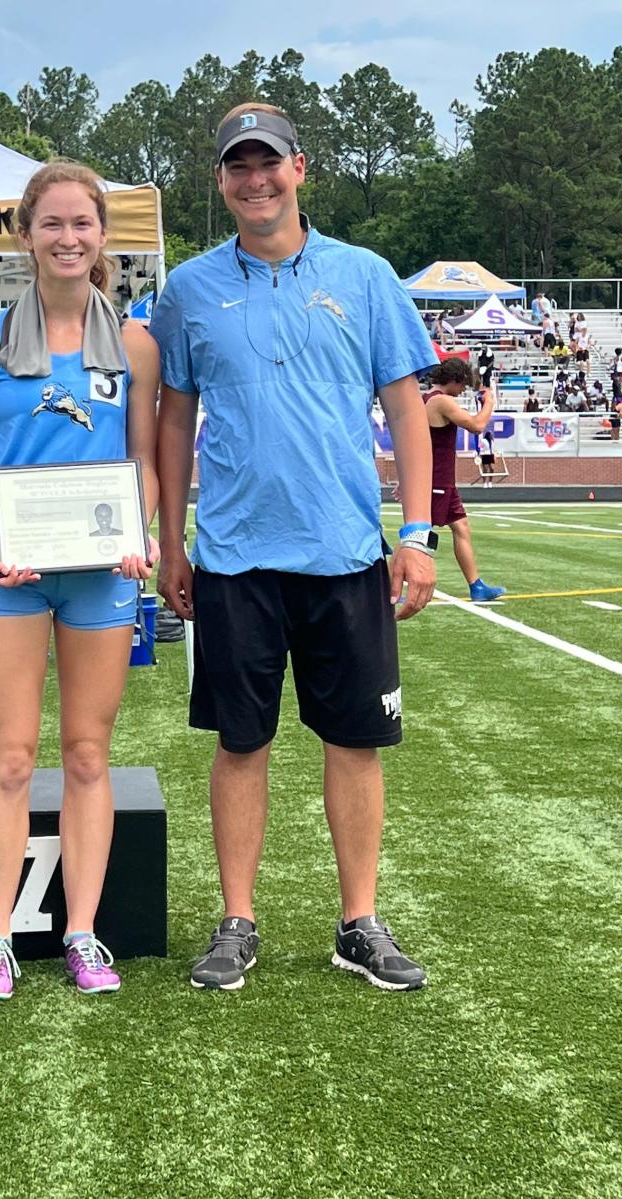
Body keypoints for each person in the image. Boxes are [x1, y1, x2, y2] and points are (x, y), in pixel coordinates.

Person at [151, 102, 437, 994]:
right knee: (241, 742)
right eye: (237, 165)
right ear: (222, 181)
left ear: (300, 168)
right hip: (234, 556)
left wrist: (418, 533)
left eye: (267, 162)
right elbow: (173, 420)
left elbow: (404, 409)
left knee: (353, 741)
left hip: (346, 549)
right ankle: (238, 919)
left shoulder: (364, 275)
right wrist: (171, 540)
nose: (255, 179)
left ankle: (359, 920)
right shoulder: (188, 289)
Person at [0, 162, 159, 1003]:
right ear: (26, 236)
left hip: (102, 577)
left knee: (90, 755)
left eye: (83, 224)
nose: (69, 238)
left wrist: (142, 533)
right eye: (52, 223)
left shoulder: (134, 343)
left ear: (103, 237)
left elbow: (144, 461)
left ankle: (82, 932)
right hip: (11, 575)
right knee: (12, 758)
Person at [421, 359, 507, 601]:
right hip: (437, 479)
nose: (462, 393)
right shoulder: (441, 401)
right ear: (455, 380)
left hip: (440, 479)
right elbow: (477, 426)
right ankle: (389, 586)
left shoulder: (427, 399)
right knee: (419, 535)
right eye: (462, 387)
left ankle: (476, 586)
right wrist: (489, 402)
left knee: (461, 527)